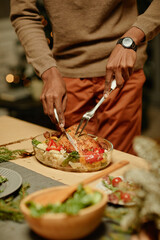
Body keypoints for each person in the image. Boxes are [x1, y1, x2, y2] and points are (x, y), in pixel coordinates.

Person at [10, 0, 160, 154]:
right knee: (72, 159)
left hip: (123, 72)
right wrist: (48, 72)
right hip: (68, 75)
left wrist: (131, 38)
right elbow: (23, 13)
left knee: (119, 162)